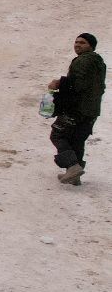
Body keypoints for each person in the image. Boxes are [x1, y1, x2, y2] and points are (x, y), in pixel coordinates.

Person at [48, 32, 105, 185]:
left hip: (77, 109)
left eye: (82, 43)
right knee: (77, 140)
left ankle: (72, 166)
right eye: (76, 42)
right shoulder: (99, 62)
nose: (78, 45)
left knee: (58, 134)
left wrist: (59, 83)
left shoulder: (83, 61)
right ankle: (75, 176)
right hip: (92, 111)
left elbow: (77, 86)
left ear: (91, 46)